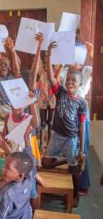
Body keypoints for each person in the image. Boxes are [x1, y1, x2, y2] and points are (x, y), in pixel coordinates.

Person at [41, 41, 87, 207]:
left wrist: (81, 149)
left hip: (71, 138)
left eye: (73, 81)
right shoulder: (60, 93)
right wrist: (49, 55)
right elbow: (50, 77)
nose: (70, 83)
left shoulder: (82, 103)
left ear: (79, 84)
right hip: (56, 136)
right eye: (68, 80)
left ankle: (75, 194)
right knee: (45, 163)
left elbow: (81, 126)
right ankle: (67, 159)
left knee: (75, 169)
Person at [59, 42, 93, 195]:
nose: (75, 61)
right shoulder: (64, 71)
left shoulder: (86, 70)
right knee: (66, 149)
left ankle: (82, 185)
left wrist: (91, 56)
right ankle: (67, 184)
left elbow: (96, 73)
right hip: (66, 113)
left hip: (81, 113)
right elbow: (58, 84)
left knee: (82, 148)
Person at [0, 125, 36, 219]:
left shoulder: (7, 194)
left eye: (8, 167)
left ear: (20, 175)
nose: (3, 168)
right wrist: (26, 137)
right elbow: (29, 155)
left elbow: (0, 216)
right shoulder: (29, 174)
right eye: (5, 165)